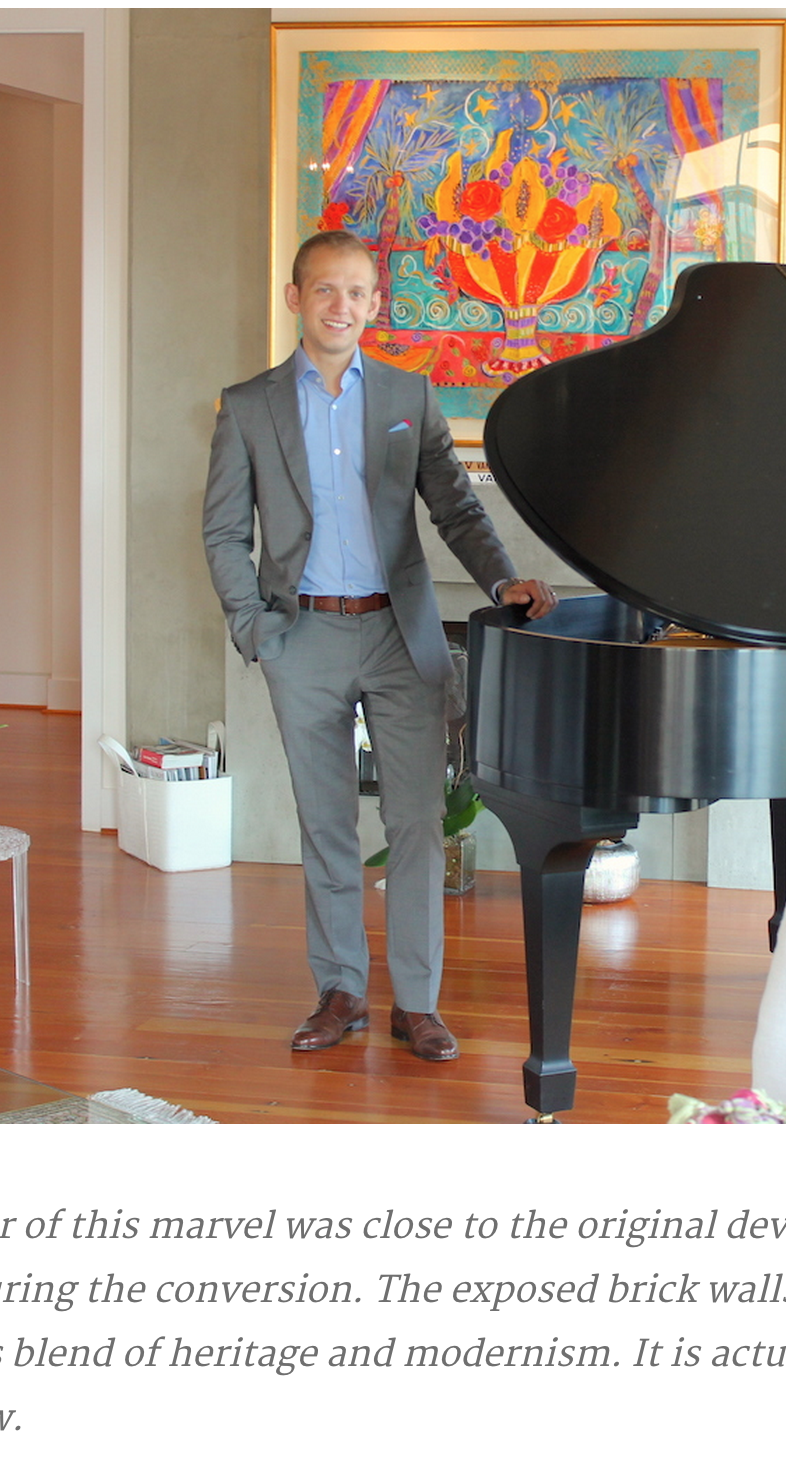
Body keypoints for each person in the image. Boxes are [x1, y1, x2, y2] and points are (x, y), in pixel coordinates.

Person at [203, 230, 556, 1061]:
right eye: (325, 290)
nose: (342, 306)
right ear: (296, 299)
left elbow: (455, 508)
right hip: (304, 635)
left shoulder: (407, 395)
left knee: (418, 821)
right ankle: (340, 991)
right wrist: (257, 629)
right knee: (325, 822)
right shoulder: (248, 406)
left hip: (401, 635)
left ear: (374, 303)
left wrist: (501, 579)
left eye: (357, 292)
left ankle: (419, 1002)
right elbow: (222, 532)